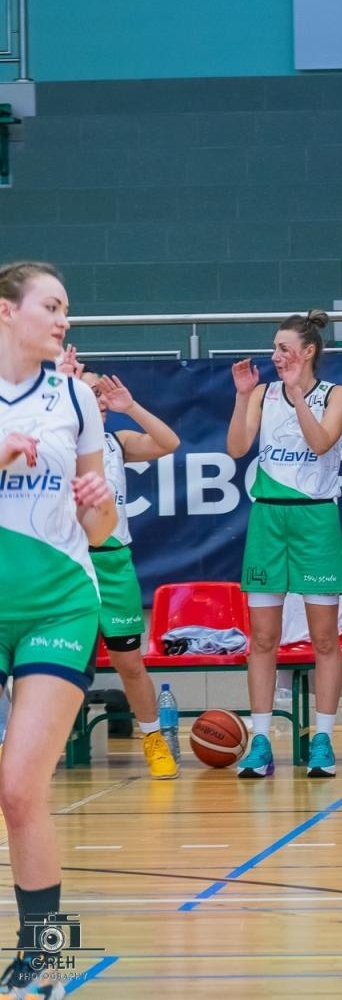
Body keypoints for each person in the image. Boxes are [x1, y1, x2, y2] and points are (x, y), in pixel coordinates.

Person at [0, 261, 116, 1000]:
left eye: (67, 307)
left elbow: (100, 530)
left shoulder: (75, 397)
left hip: (59, 604)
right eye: (51, 305)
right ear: (6, 311)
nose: (63, 319)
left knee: (19, 789)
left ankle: (44, 954)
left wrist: (97, 500)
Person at [226, 310, 342, 779]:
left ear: (308, 351)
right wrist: (242, 398)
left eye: (283, 348)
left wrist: (299, 399)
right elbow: (238, 448)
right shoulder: (261, 392)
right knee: (262, 639)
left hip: (315, 519)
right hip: (268, 518)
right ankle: (260, 741)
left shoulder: (335, 394)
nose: (275, 356)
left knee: (324, 637)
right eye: (274, 347)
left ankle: (321, 739)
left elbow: (320, 443)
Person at [83, 371, 183, 779]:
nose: (101, 401)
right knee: (59, 664)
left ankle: (154, 740)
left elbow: (169, 443)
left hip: (113, 562)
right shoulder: (55, 446)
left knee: (129, 664)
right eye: (92, 394)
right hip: (70, 563)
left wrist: (131, 407)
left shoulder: (116, 442)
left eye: (103, 396)